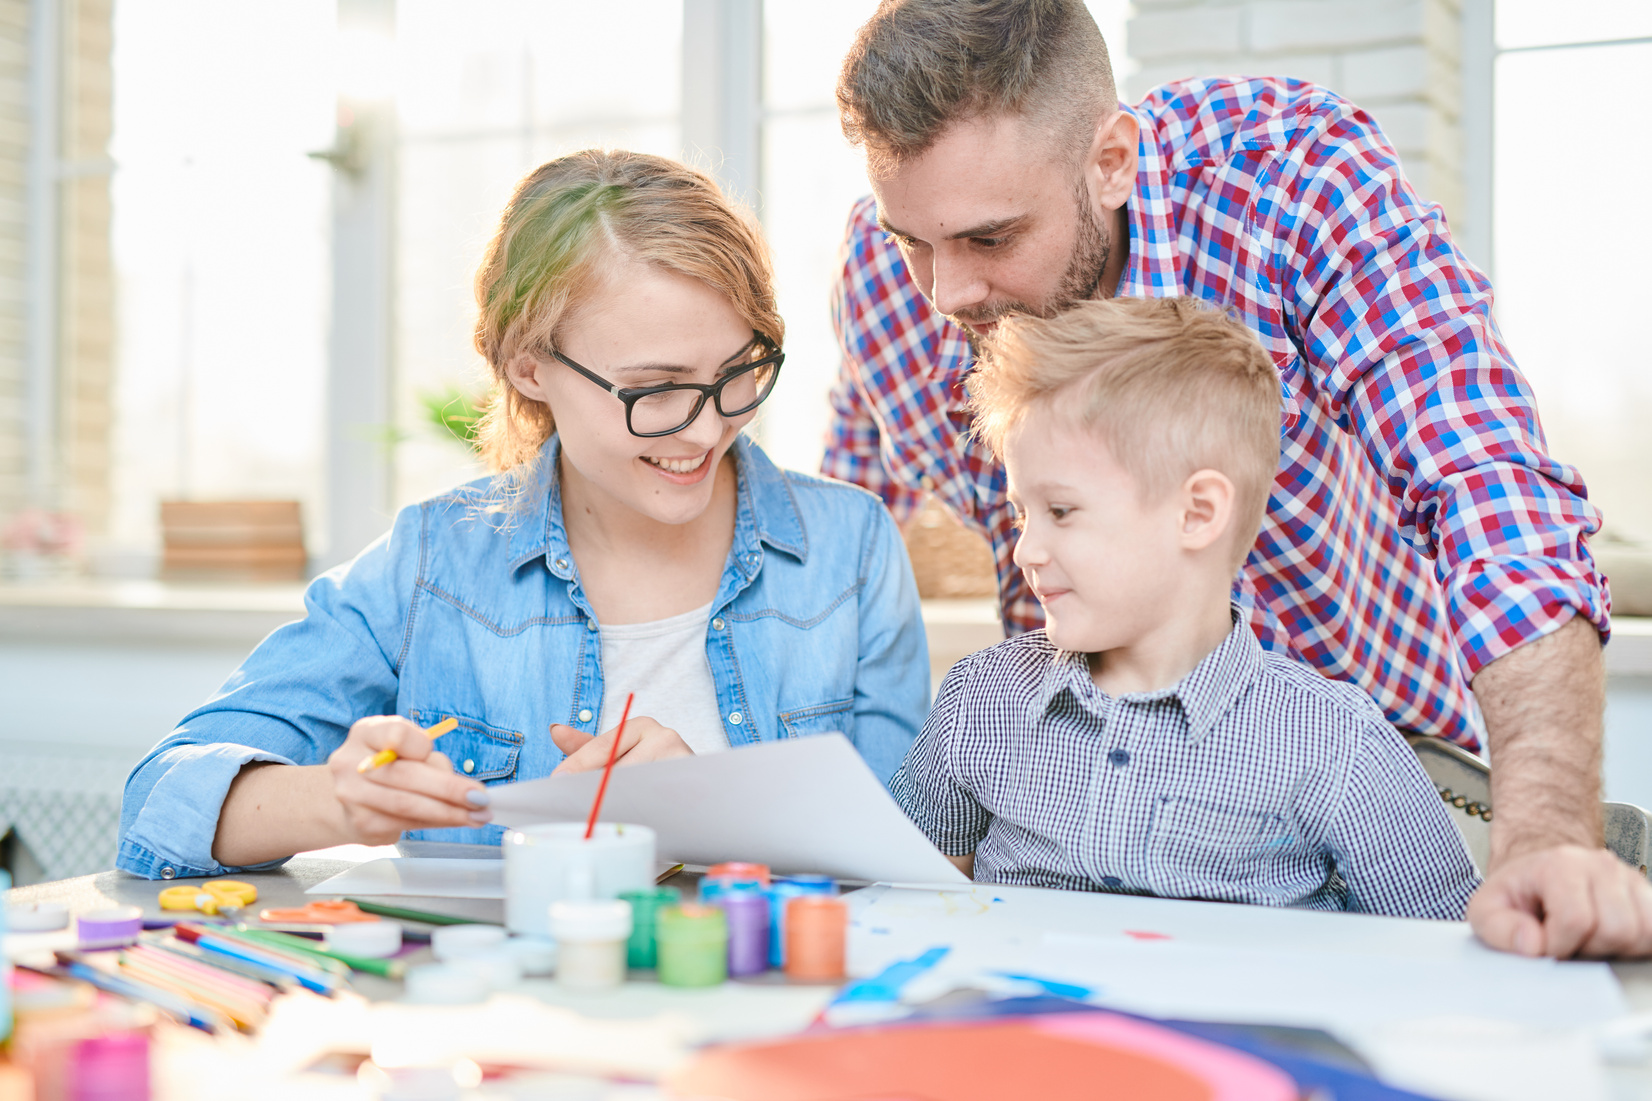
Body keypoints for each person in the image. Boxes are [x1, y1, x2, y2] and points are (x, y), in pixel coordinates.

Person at [827, 0, 1652, 956]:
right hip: (1077, 830)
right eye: (911, 239)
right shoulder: (885, 277)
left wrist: (1545, 834)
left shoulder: (1289, 177)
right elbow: (851, 540)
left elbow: (1487, 483)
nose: (945, 293)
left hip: (1379, 786)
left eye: (991, 239)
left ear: (1111, 162)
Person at [118, 151, 928, 880]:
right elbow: (162, 800)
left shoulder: (849, 549)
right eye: (656, 388)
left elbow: (911, 856)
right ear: (528, 365)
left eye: (739, 370)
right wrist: (343, 798)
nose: (707, 427)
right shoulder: (434, 563)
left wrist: (706, 814)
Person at [892, 297, 1480, 918]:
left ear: (1197, 513)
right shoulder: (981, 700)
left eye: (1060, 512)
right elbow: (912, 902)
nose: (1026, 550)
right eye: (1020, 513)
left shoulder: (1336, 744)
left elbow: (1444, 956)